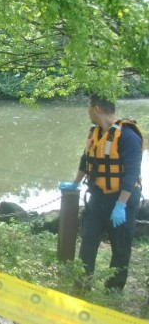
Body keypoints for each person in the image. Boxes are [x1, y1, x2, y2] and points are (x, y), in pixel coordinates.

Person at [60, 94, 144, 291]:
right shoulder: (95, 133)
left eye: (89, 108)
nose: (88, 112)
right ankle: (82, 285)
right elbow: (86, 159)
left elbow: (132, 173)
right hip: (97, 197)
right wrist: (75, 183)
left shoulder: (128, 135)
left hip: (123, 200)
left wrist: (121, 204)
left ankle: (114, 288)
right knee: (88, 243)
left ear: (96, 109)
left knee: (121, 247)